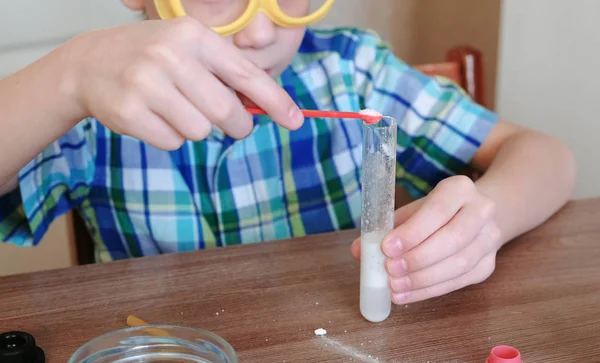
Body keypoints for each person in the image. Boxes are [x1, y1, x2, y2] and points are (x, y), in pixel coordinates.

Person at [0, 0, 575, 305]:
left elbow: (546, 155)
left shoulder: (354, 71)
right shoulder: (95, 112)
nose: (258, 34)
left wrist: (487, 218)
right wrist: (67, 80)